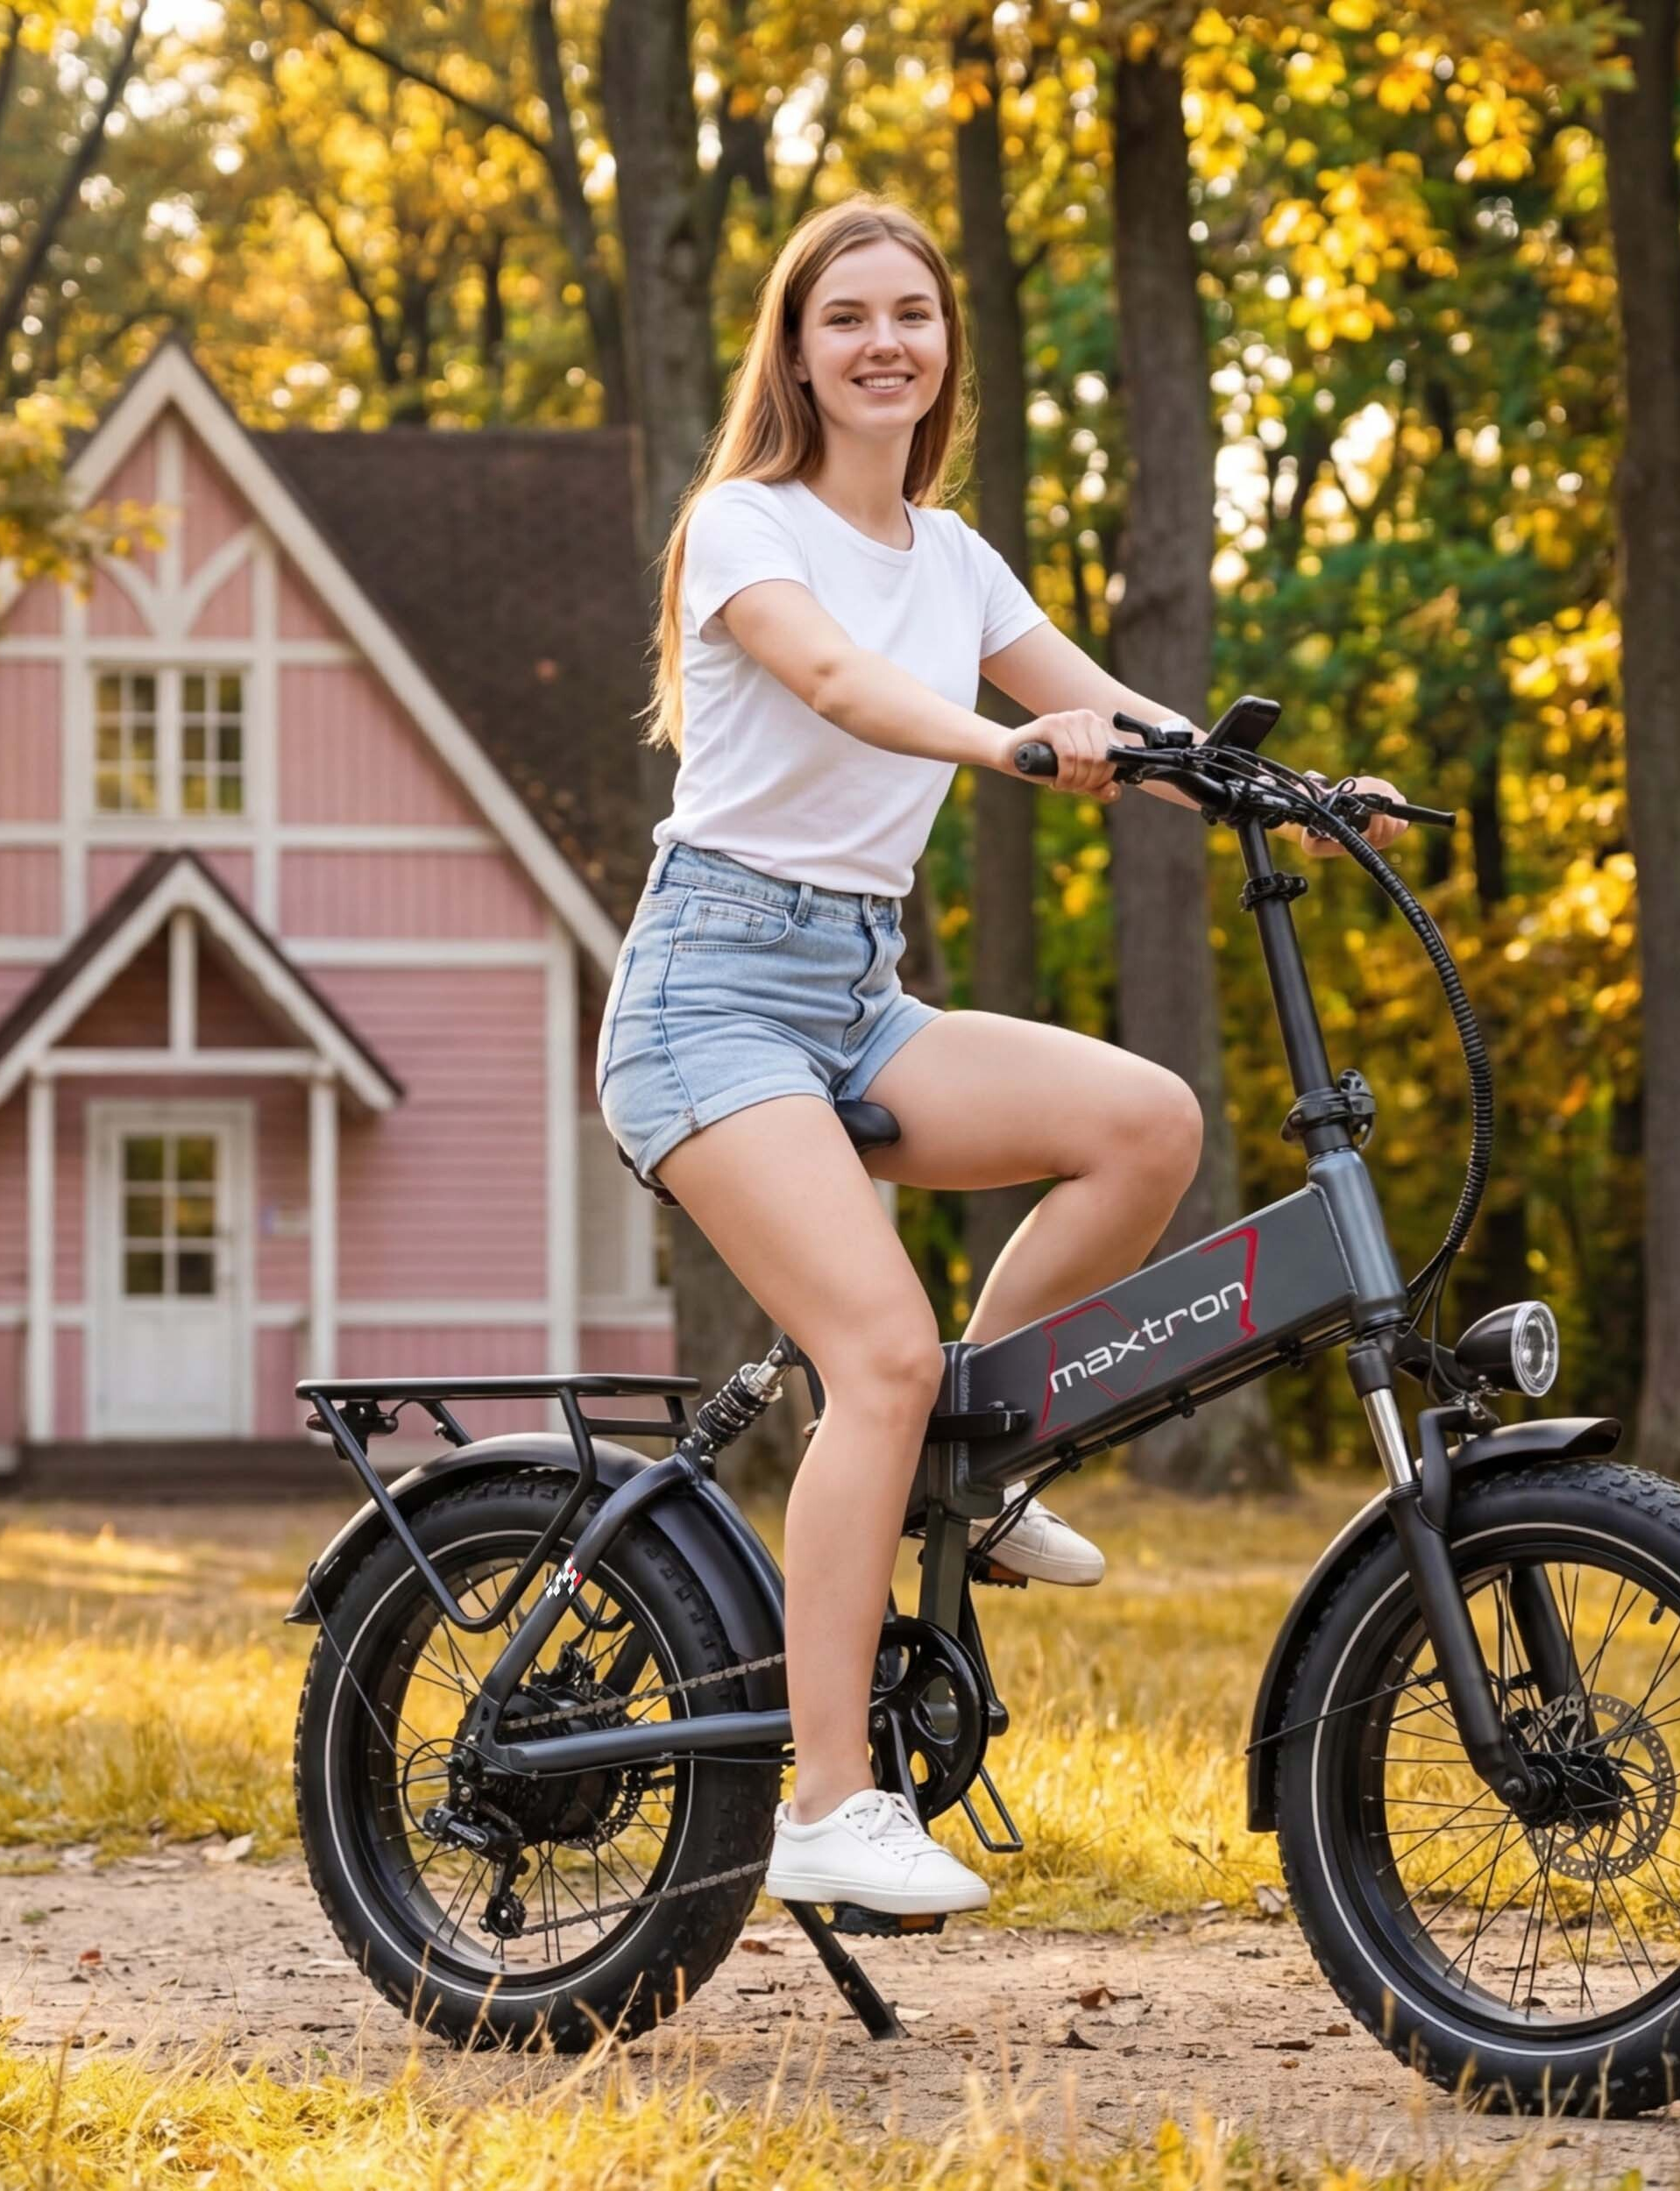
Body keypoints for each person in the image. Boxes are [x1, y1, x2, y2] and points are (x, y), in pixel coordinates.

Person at [599, 193, 1407, 1918]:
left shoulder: (951, 556)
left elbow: (1109, 704)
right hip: (706, 994)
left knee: (1142, 1121)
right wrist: (999, 743)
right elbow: (830, 682)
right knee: (872, 1349)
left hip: (850, 987)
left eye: (914, 311)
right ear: (797, 352)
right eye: (846, 317)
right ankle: (825, 1800)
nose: (885, 340)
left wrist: (1285, 789)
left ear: (943, 345)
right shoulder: (746, 526)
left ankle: (976, 1461)